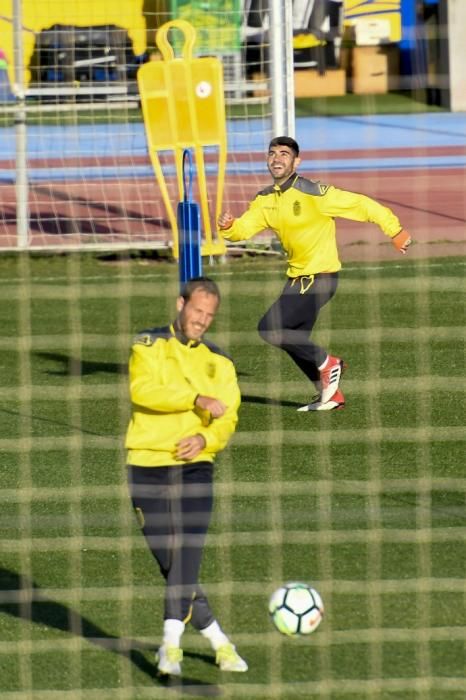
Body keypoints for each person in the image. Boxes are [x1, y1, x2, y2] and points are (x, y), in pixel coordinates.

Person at [218, 136, 412, 411]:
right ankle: (329, 394)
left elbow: (363, 204)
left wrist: (395, 231)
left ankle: (330, 363)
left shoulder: (314, 192)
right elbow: (243, 229)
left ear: (297, 161)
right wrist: (229, 227)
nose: (276, 159)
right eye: (272, 153)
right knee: (293, 339)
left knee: (270, 328)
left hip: (320, 277)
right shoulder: (264, 199)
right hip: (296, 279)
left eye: (284, 154)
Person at [125, 277, 247, 676]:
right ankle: (219, 642)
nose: (202, 321)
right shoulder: (147, 345)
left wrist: (204, 437)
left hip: (196, 468)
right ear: (180, 304)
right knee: (174, 564)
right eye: (197, 312)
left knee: (188, 553)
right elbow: (143, 391)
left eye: (209, 316)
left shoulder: (221, 362)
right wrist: (194, 399)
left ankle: (169, 648)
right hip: (147, 464)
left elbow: (228, 418)